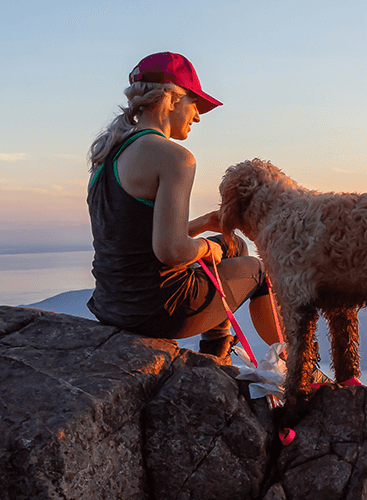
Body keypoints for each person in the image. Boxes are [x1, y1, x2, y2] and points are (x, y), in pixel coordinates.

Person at [86, 52, 281, 361]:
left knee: (232, 246)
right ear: (172, 99)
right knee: (257, 271)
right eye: (195, 103)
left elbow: (135, 239)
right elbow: (171, 252)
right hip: (158, 310)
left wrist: (202, 224)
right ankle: (294, 362)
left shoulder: (108, 155)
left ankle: (218, 353)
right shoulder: (174, 157)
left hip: (112, 306)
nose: (198, 116)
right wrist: (204, 247)